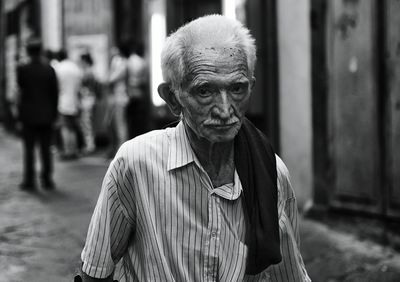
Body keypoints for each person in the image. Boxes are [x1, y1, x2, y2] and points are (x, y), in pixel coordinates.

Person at [79, 15, 310, 281]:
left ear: (251, 87)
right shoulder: (135, 164)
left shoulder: (272, 173)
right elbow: (94, 273)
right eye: (205, 91)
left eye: (237, 89)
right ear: (173, 99)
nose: (225, 110)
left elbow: (290, 276)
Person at [16, 38, 59, 190]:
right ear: (41, 50)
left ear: (28, 51)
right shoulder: (49, 69)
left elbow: (21, 91)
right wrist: (54, 114)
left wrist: (19, 116)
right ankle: (47, 179)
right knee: (46, 149)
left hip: (28, 116)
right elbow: (55, 94)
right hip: (47, 115)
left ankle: (29, 181)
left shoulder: (23, 69)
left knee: (29, 150)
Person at [54, 49, 83, 159]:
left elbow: (56, 86)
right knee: (73, 127)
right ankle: (74, 150)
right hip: (74, 100)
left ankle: (67, 151)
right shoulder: (75, 67)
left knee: (65, 127)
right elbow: (79, 85)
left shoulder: (58, 68)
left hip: (62, 100)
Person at [106, 44, 130, 158]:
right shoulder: (118, 61)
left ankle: (122, 151)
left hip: (120, 97)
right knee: (115, 124)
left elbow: (112, 78)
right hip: (117, 97)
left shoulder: (121, 62)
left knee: (120, 125)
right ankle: (117, 148)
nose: (112, 50)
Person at [126, 41, 151, 139]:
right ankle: (139, 136)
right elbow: (144, 79)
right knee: (139, 119)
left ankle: (132, 137)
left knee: (131, 119)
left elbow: (126, 78)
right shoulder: (143, 61)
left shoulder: (130, 60)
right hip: (140, 92)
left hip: (131, 92)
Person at [79, 52, 98, 154]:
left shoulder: (88, 72)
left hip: (88, 99)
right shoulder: (90, 71)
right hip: (89, 99)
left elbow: (86, 87)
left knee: (87, 123)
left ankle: (90, 146)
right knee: (87, 123)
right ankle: (89, 144)